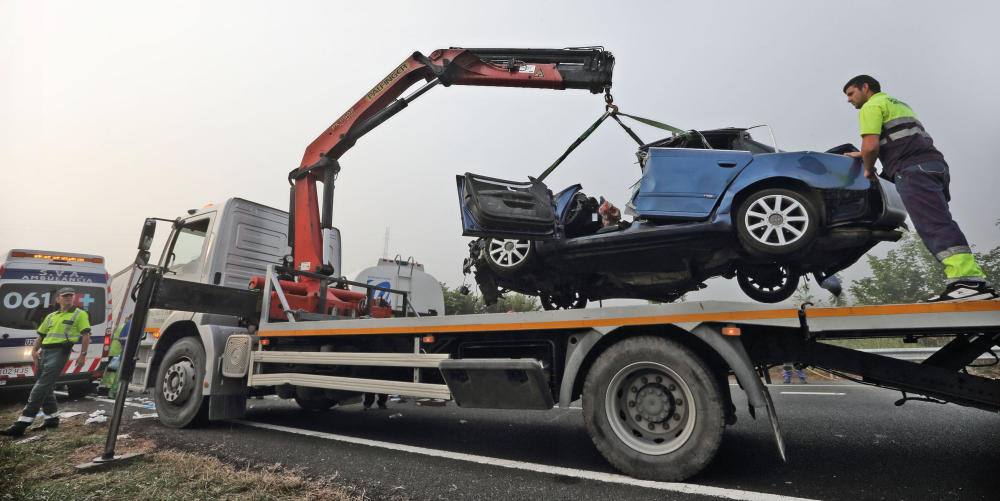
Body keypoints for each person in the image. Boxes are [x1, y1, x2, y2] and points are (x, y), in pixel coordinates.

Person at [842, 75, 996, 302]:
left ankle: (967, 283)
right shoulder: (897, 104)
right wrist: (864, 154)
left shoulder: (871, 107)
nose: (849, 100)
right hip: (934, 167)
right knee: (941, 221)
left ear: (865, 88)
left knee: (933, 225)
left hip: (913, 170)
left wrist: (867, 168)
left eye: (850, 94)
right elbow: (898, 140)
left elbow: (871, 145)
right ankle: (970, 282)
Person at [2, 287, 92, 437]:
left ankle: (22, 422)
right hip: (44, 352)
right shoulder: (51, 316)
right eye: (65, 296)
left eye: (71, 296)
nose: (68, 298)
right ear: (58, 299)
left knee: (41, 385)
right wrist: (33, 351)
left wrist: (83, 355)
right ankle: (52, 420)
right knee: (46, 386)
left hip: (60, 352)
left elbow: (86, 335)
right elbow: (41, 335)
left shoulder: (80, 314)